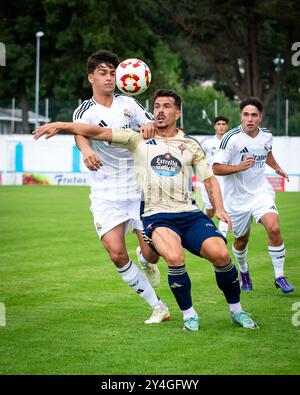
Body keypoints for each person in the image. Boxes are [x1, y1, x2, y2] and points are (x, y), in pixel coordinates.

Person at [34, 89, 259, 332]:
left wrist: (221, 209)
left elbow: (209, 179)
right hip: (157, 216)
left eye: (166, 106)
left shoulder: (191, 144)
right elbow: (96, 131)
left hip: (190, 213)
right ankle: (189, 315)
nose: (160, 111)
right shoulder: (136, 138)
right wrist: (61, 125)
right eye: (157, 106)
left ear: (178, 112)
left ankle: (237, 311)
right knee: (174, 258)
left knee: (222, 255)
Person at [71, 49, 169, 324]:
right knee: (116, 254)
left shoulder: (129, 103)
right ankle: (158, 307)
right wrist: (86, 151)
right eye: (103, 73)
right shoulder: (85, 110)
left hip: (137, 188)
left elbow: (151, 122)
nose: (109, 78)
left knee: (152, 253)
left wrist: (149, 127)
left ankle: (145, 257)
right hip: (105, 192)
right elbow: (80, 133)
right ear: (91, 77)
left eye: (113, 73)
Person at [212, 96, 294, 293]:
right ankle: (244, 272)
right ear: (241, 116)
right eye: (245, 114)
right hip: (236, 199)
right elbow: (216, 168)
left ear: (260, 118)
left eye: (254, 115)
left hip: (260, 193)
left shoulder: (266, 136)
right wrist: (239, 167)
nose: (249, 119)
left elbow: (267, 154)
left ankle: (280, 276)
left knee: (273, 228)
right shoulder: (230, 138)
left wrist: (277, 168)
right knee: (241, 241)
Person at [199, 116, 229, 237]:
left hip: (226, 180)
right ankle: (203, 228)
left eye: (223, 124)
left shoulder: (231, 141)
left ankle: (222, 236)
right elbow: (199, 159)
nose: (221, 126)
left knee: (224, 208)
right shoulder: (207, 143)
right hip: (210, 180)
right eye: (219, 124)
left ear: (227, 126)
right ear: (215, 126)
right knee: (210, 212)